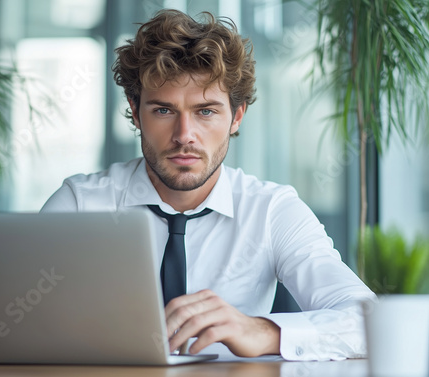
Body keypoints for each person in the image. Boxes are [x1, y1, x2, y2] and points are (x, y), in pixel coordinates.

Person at [41, 9, 376, 361]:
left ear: (237, 116)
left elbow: (365, 321)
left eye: (205, 112)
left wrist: (263, 331)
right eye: (164, 111)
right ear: (135, 112)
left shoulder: (271, 211)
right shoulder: (80, 205)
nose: (184, 136)